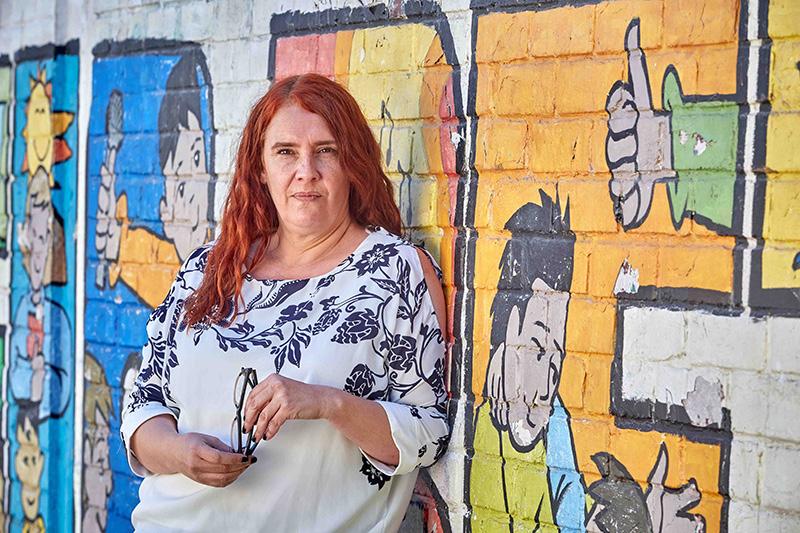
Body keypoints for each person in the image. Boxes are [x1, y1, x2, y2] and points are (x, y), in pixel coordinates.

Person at [120, 73, 449, 532]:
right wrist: (180, 455)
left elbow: (428, 433)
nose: (305, 171)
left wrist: (328, 403)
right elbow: (143, 405)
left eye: (326, 150)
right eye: (286, 152)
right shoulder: (209, 268)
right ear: (260, 168)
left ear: (352, 163)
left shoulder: (394, 272)